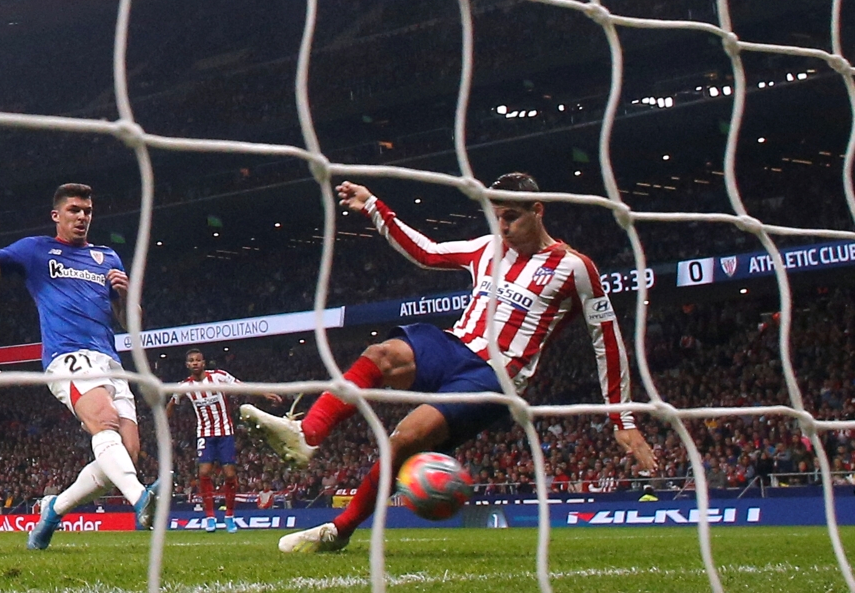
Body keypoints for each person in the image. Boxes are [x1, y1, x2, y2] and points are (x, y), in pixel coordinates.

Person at [241, 173, 657, 553]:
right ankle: (307, 433)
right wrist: (373, 205)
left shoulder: (574, 268)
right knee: (380, 354)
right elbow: (427, 253)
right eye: (497, 217)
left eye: (511, 216)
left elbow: (608, 340)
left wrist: (623, 420)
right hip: (455, 345)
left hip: (495, 375)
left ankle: (340, 530)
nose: (504, 226)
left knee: (405, 438)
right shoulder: (488, 247)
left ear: (538, 210)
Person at [0, 183, 158, 550]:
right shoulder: (34, 250)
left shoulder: (107, 258)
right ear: (57, 215)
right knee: (104, 422)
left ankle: (52, 511)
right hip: (68, 357)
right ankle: (142, 500)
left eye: (87, 211)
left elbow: (132, 324)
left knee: (125, 455)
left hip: (111, 361)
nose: (82, 217)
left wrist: (127, 295)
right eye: (74, 210)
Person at [165, 348, 279, 533]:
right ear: (187, 365)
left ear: (204, 362)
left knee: (230, 475)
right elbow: (172, 404)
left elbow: (243, 387)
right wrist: (164, 420)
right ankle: (210, 517)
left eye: (198, 360)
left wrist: (265, 394)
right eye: (191, 361)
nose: (195, 363)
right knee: (204, 472)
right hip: (204, 433)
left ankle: (229, 517)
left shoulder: (219, 377)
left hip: (225, 431)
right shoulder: (184, 386)